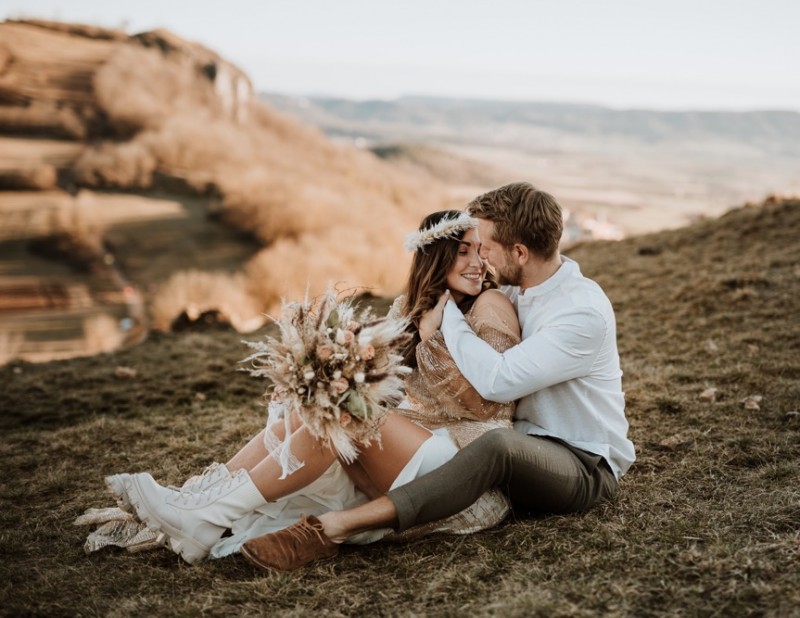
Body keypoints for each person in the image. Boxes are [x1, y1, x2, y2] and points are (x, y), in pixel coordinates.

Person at [240, 181, 636, 572]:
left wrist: (445, 318)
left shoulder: (580, 313)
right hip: (521, 453)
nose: (482, 258)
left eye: (487, 248)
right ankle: (225, 494)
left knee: (499, 445)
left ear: (519, 252)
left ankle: (333, 530)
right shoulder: (519, 289)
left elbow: (498, 382)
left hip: (582, 461)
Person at [103, 210, 521, 565]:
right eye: (462, 252)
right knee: (321, 408)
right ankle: (196, 501)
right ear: (436, 258)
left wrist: (433, 339)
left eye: (479, 252)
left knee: (348, 416)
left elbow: (488, 404)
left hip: (466, 469)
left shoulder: (490, 305)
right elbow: (393, 388)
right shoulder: (410, 309)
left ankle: (204, 517)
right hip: (418, 446)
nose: (476, 263)